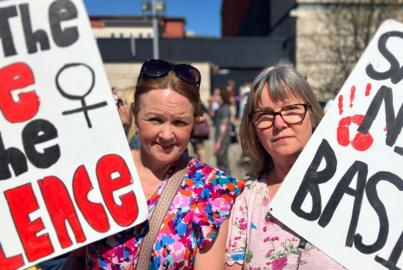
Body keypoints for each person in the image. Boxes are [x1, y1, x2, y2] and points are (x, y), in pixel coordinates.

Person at [66, 59, 243, 269]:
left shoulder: (213, 190)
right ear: (135, 114)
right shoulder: (98, 174)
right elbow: (77, 259)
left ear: (195, 121)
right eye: (155, 120)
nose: (167, 135)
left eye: (180, 122)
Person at [225, 64, 343, 269]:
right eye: (265, 115)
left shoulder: (352, 188)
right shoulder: (246, 201)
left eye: (291, 109)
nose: (279, 123)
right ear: (254, 130)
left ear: (312, 115)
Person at [213, 88, 232, 173]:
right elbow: (211, 116)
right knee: (220, 161)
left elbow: (223, 126)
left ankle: (228, 182)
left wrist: (219, 142)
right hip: (219, 138)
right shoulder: (220, 108)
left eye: (216, 95)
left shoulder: (225, 108)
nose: (214, 96)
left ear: (221, 96)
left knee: (223, 161)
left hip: (223, 138)